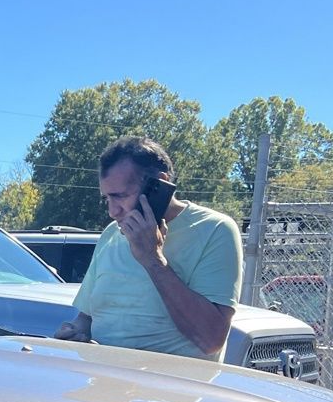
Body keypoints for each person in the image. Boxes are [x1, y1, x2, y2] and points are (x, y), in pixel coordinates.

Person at [54, 136, 241, 360]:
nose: (113, 211)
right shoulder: (111, 234)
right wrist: (75, 333)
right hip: (103, 385)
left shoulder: (215, 229)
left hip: (171, 389)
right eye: (106, 199)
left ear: (159, 185)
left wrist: (152, 258)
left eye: (120, 196)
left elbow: (211, 339)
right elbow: (86, 318)